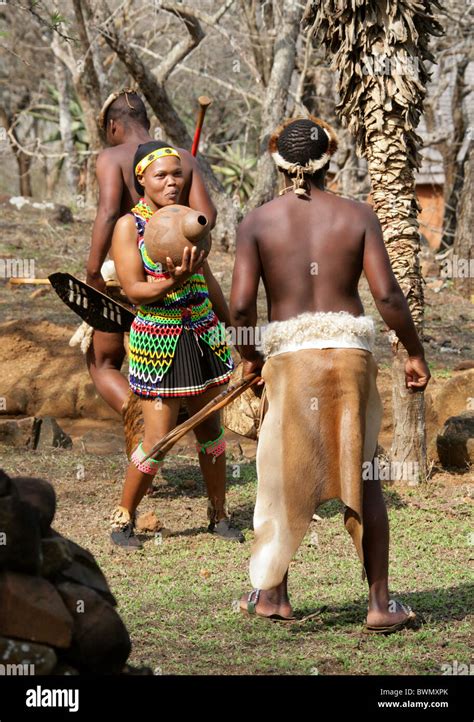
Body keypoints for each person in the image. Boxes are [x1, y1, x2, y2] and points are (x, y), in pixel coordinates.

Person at [230, 116, 430, 632]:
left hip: (290, 359)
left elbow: (241, 306)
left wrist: (250, 358)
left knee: (278, 473)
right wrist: (412, 351)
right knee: (364, 475)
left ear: (278, 159)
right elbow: (386, 295)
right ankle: (380, 604)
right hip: (349, 355)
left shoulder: (257, 222)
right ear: (329, 160)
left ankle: (272, 595)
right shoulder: (358, 215)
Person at [109, 141, 244, 548]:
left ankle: (218, 515)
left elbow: (207, 277)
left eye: (177, 174)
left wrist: (233, 323)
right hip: (159, 340)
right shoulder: (128, 226)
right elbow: (134, 289)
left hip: (203, 332)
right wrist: (176, 282)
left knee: (211, 428)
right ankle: (122, 518)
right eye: (161, 175)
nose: (171, 182)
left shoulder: (187, 219)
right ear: (141, 180)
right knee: (159, 436)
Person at [85, 88, 216, 415]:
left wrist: (92, 274)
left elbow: (108, 214)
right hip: (182, 274)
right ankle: (167, 413)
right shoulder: (182, 158)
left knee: (103, 362)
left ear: (113, 127)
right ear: (147, 120)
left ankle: (143, 420)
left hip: (127, 276)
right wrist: (178, 234)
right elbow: (207, 217)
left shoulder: (110, 158)